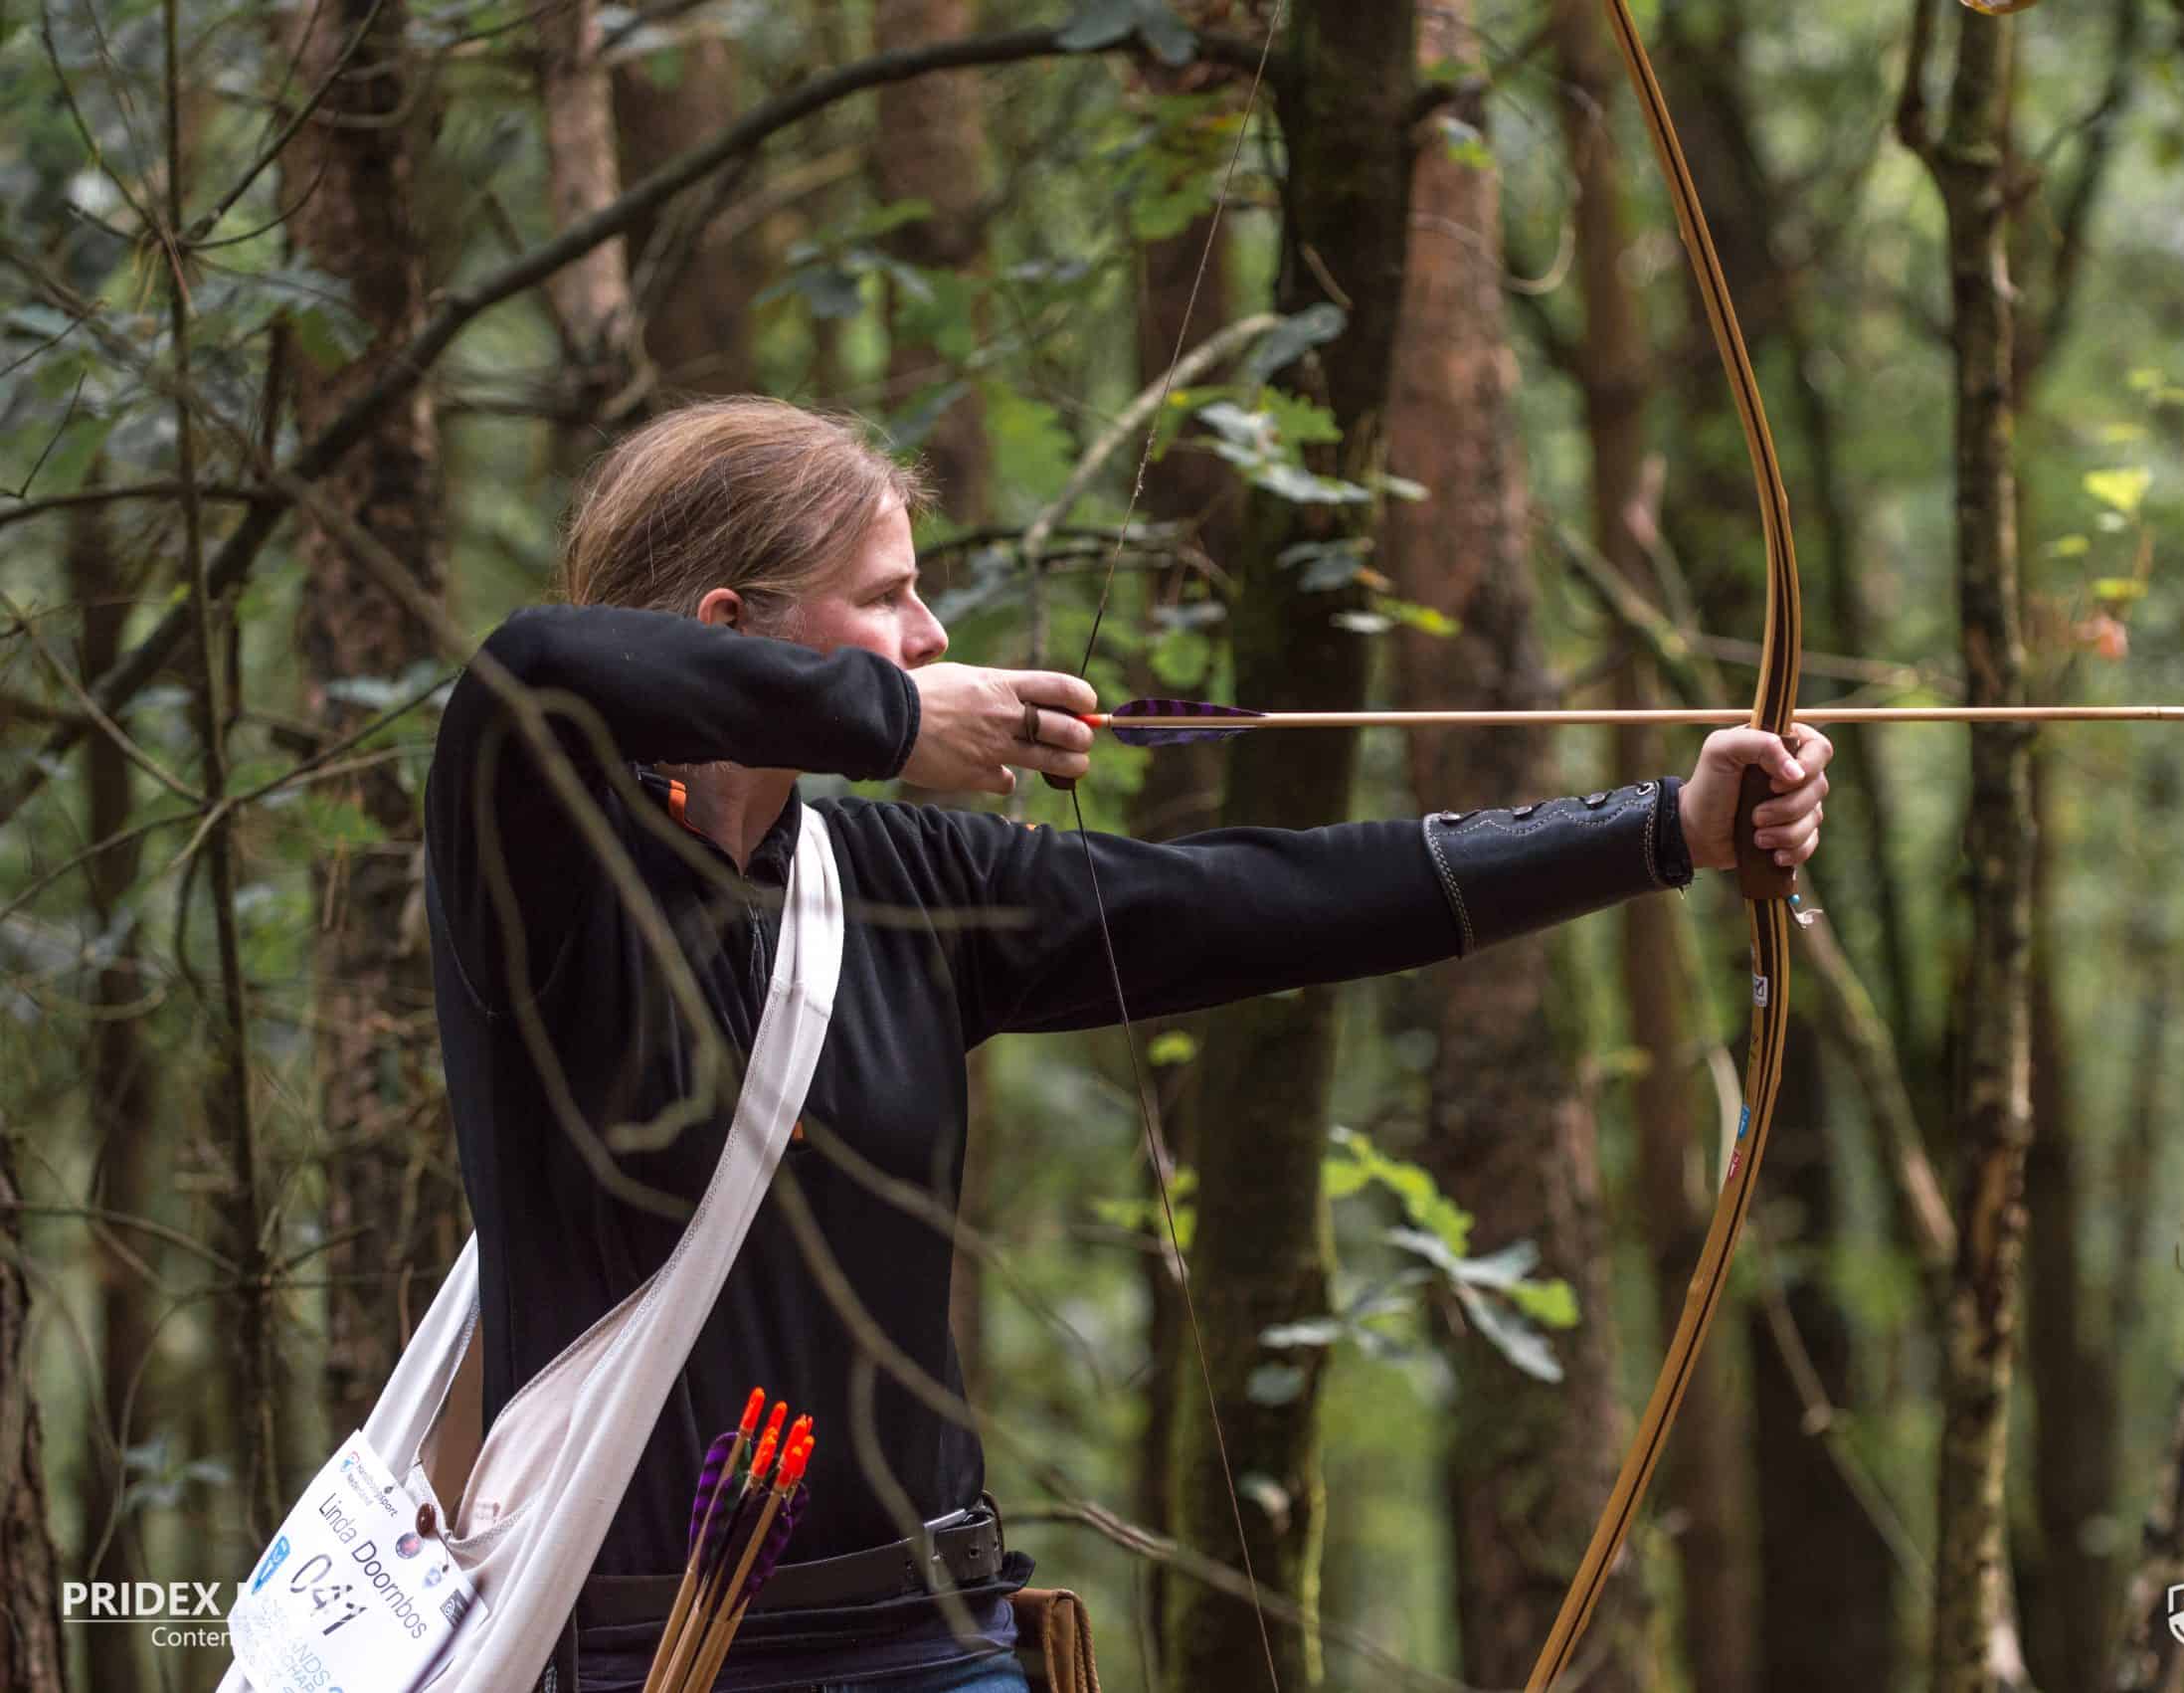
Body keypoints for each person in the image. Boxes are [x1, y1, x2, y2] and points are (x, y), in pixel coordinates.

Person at [423, 398, 1831, 1692]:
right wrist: (891, 722)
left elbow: (1253, 899)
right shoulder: (543, 884)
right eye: (886, 599)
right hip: (646, 1656)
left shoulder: (892, 888)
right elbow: (529, 668)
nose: (928, 635)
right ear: (733, 626)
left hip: (935, 1642)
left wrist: (1665, 829)